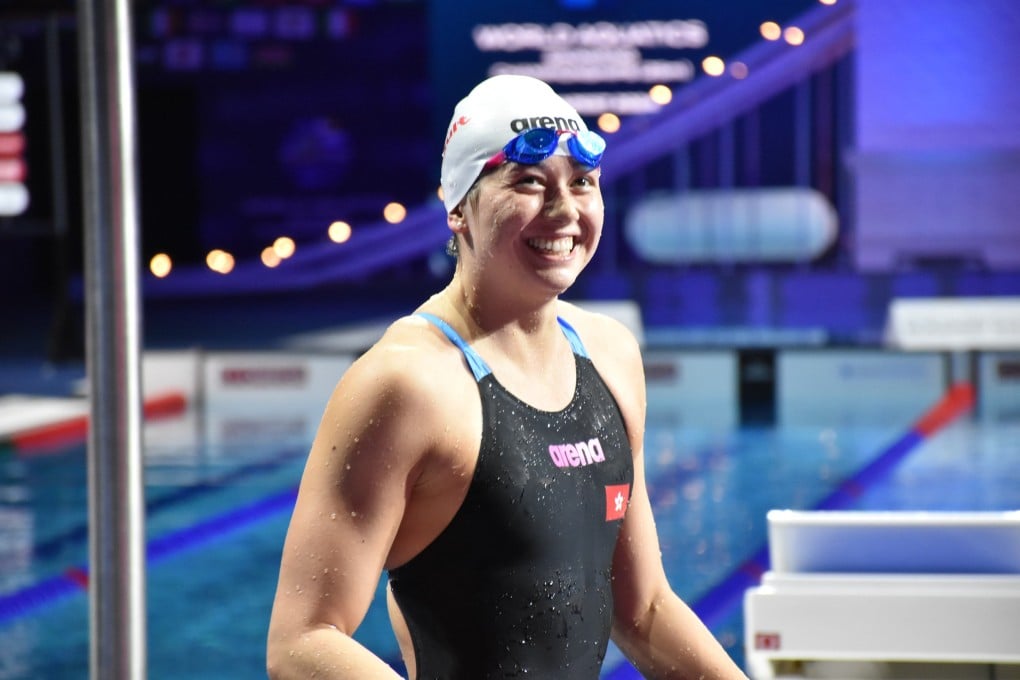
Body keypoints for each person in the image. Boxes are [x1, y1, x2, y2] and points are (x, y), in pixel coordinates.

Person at [266, 74, 748, 679]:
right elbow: (303, 640)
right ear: (458, 207)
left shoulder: (609, 354)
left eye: (583, 183)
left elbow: (643, 608)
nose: (565, 210)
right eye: (528, 182)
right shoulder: (408, 383)